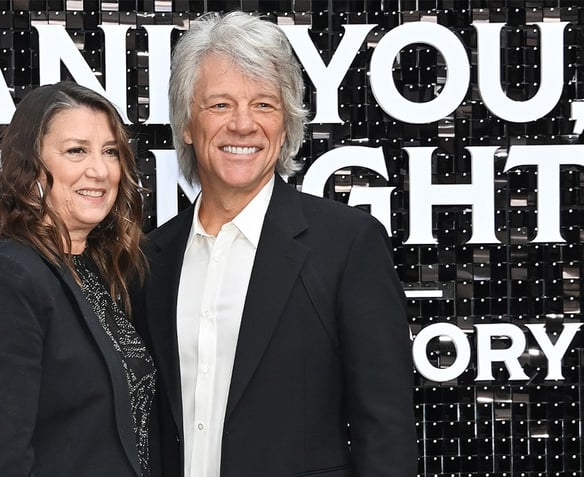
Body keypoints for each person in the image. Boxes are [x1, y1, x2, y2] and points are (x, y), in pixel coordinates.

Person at [136, 12, 417, 477]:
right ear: (187, 124)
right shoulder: (150, 258)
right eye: (220, 105)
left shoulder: (347, 246)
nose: (243, 125)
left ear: (287, 125)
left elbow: (385, 429)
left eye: (264, 105)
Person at [0, 81, 154, 477]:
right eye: (77, 150)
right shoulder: (6, 277)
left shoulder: (105, 273)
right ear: (29, 167)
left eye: (110, 152)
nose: (99, 170)